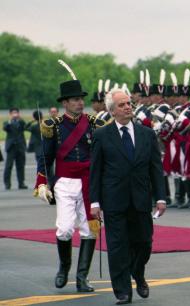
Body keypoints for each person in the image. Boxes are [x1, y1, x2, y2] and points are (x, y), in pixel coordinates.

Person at [90, 88, 166, 305]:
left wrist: (161, 198)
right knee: (117, 246)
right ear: (112, 111)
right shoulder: (101, 135)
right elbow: (95, 171)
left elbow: (155, 169)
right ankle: (122, 290)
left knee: (144, 243)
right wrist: (95, 202)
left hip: (141, 199)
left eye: (128, 103)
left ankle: (138, 272)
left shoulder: (147, 134)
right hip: (114, 201)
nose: (127, 107)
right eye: (122, 105)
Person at [34, 78, 105, 292]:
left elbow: (103, 156)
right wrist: (42, 183)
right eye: (75, 100)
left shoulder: (94, 123)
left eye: (81, 100)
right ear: (65, 103)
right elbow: (45, 157)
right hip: (64, 183)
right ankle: (63, 268)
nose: (80, 103)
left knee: (90, 230)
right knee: (64, 229)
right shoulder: (53, 126)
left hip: (89, 182)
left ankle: (82, 277)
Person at [3, 107, 27, 190]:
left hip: (20, 146)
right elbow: (5, 128)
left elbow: (25, 126)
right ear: (10, 114)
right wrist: (10, 120)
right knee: (8, 166)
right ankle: (7, 184)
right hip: (11, 147)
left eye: (16, 113)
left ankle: (21, 183)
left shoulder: (21, 122)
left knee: (20, 166)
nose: (15, 114)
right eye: (13, 113)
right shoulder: (7, 122)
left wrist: (19, 118)